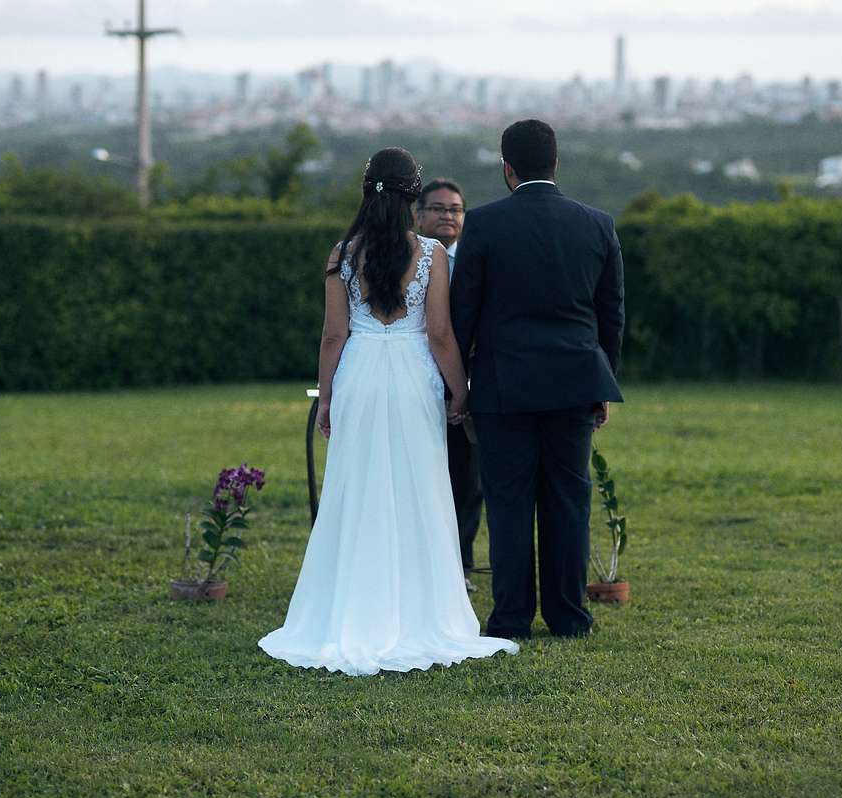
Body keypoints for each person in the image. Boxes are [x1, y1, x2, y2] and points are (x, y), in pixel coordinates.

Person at [259, 147, 518, 675]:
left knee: (355, 488)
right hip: (411, 376)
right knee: (419, 486)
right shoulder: (431, 255)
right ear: (412, 196)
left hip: (358, 374)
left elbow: (334, 334)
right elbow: (441, 334)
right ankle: (420, 610)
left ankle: (348, 609)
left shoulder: (341, 253)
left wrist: (326, 396)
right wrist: (460, 391)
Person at [450, 119, 625, 640]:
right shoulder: (598, 224)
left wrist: (458, 387)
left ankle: (511, 620)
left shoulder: (482, 225)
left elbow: (463, 316)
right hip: (575, 381)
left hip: (503, 388)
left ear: (507, 168)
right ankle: (570, 618)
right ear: (556, 162)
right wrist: (602, 380)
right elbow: (611, 315)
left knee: (508, 503)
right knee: (569, 500)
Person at [415, 178, 483, 595]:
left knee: (466, 479)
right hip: (415, 380)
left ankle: (461, 567)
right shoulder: (407, 260)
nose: (447, 215)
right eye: (437, 208)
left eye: (455, 209)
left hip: (467, 383)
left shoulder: (475, 261)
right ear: (419, 215)